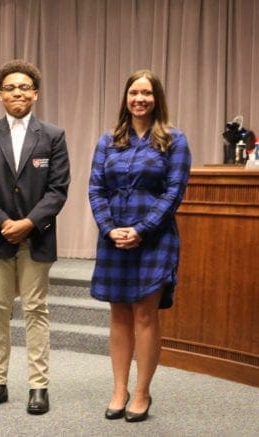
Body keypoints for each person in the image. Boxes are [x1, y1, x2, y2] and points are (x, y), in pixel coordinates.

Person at [0, 59, 70, 415]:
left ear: (36, 93)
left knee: (35, 309)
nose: (18, 93)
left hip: (37, 235)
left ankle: (38, 386)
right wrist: (2, 222)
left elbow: (58, 189)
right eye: (10, 88)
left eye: (25, 87)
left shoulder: (53, 135)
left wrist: (28, 222)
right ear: (0, 95)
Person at [88, 69, 191, 422]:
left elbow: (174, 191)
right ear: (126, 98)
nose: (140, 99)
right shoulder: (108, 141)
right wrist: (110, 228)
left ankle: (143, 391)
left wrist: (142, 229)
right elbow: (96, 189)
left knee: (145, 315)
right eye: (134, 92)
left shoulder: (174, 140)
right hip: (114, 238)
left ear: (156, 98)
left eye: (146, 93)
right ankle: (120, 388)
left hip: (155, 238)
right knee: (118, 316)